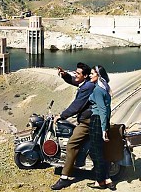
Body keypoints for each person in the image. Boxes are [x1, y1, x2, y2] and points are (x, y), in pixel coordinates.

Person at [50, 62, 95, 190]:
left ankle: (64, 178)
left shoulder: (88, 87)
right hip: (85, 118)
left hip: (87, 122)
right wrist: (65, 75)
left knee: (72, 144)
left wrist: (62, 115)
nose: (75, 74)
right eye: (75, 72)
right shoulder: (86, 84)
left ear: (85, 76)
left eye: (78, 73)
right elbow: (75, 81)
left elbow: (77, 106)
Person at [87, 65, 116, 190]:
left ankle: (100, 181)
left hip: (97, 121)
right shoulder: (105, 89)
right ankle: (107, 179)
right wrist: (106, 125)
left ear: (98, 75)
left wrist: (104, 129)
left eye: (92, 73)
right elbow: (107, 110)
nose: (90, 75)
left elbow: (103, 110)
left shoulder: (98, 90)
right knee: (99, 151)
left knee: (95, 152)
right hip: (102, 121)